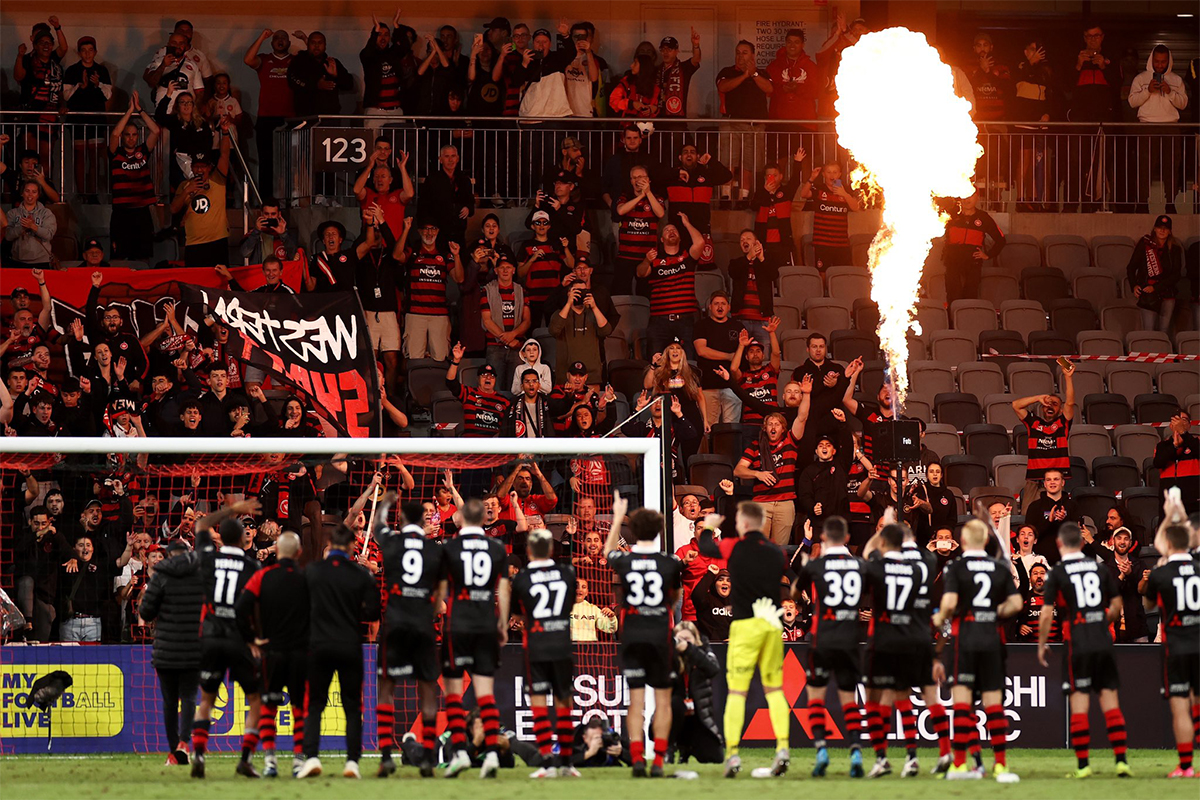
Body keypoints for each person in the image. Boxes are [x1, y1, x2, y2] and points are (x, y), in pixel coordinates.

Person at [695, 502, 791, 777]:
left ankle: (733, 755)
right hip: (772, 624)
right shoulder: (776, 552)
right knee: (775, 690)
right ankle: (783, 749)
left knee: (737, 692)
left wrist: (710, 526)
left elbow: (707, 547)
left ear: (744, 523)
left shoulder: (735, 546)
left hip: (745, 625)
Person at [932, 519, 1024, 779]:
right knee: (993, 703)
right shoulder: (999, 567)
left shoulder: (956, 566)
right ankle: (1001, 765)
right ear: (985, 541)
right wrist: (993, 612)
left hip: (966, 639)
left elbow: (949, 603)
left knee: (962, 703)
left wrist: (940, 617)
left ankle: (960, 765)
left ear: (962, 541)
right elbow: (1016, 603)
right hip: (991, 639)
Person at [1038, 522, 1131, 779]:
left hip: (1076, 641)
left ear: (1059, 544)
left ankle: (1083, 766)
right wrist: (1102, 621)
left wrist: (1042, 643)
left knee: (1079, 703)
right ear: (1081, 543)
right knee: (1110, 702)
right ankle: (1121, 762)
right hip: (1102, 639)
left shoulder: (1057, 572)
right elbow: (1116, 605)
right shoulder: (1100, 568)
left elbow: (1046, 613)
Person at [186, 499, 264, 779]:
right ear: (243, 539)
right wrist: (256, 639)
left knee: (206, 699)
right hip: (238, 639)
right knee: (255, 699)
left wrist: (232, 509)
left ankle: (198, 754)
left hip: (209, 637)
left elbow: (201, 524)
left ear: (221, 537)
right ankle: (245, 759)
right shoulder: (253, 566)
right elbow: (256, 609)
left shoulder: (208, 557)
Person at [605, 495, 682, 777]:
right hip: (660, 635)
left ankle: (637, 759)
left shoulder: (625, 561)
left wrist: (617, 518)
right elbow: (675, 597)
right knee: (662, 700)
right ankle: (658, 760)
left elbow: (608, 551)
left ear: (634, 532)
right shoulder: (671, 562)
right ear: (660, 530)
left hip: (633, 634)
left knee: (635, 701)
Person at [295, 523, 379, 779]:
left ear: (330, 544)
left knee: (315, 705)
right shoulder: (360, 574)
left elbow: (300, 607)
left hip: (318, 645)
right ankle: (352, 762)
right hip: (349, 645)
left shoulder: (313, 571)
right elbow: (373, 612)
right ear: (352, 546)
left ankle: (311, 757)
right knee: (352, 707)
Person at [370, 495, 443, 777]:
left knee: (386, 688)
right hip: (423, 625)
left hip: (395, 624)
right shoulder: (434, 549)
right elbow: (441, 592)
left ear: (400, 520)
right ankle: (427, 757)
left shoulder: (392, 541)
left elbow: (377, 526)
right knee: (427, 689)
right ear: (423, 521)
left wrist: (385, 503)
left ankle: (386, 756)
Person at [438, 498, 510, 778]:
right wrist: (502, 623)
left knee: (453, 693)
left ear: (460, 519)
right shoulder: (497, 548)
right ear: (483, 519)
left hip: (457, 626)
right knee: (485, 694)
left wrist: (437, 608)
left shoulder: (450, 547)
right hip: (485, 625)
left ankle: (459, 753)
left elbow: (440, 587)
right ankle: (491, 753)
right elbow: (504, 588)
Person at [793, 516, 867, 777]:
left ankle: (821, 750)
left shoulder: (816, 565)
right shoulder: (859, 565)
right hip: (849, 639)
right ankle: (855, 750)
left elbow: (795, 591)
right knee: (849, 697)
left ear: (823, 538)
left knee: (816, 695)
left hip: (822, 638)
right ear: (847, 538)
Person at [505, 527, 580, 778]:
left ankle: (547, 761)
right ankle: (567, 762)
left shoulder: (522, 579)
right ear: (550, 549)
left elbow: (517, 614)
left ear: (528, 550)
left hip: (536, 645)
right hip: (561, 643)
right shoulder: (567, 573)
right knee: (564, 700)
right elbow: (569, 606)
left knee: (538, 701)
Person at [234, 531, 309, 778]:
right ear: (299, 553)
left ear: (277, 551)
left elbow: (240, 610)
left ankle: (270, 761)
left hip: (271, 653)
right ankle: (299, 761)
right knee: (299, 708)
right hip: (300, 653)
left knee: (268, 706)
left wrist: (252, 639)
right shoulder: (307, 578)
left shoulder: (262, 576)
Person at [859, 523, 931, 778]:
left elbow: (866, 556)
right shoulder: (914, 570)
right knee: (903, 697)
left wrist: (877, 539)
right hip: (906, 639)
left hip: (881, 640)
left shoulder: (876, 566)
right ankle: (911, 757)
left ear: (882, 542)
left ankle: (881, 758)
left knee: (873, 700)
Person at [138, 539, 204, 766]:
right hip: (193, 648)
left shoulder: (160, 577)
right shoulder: (200, 577)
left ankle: (174, 751)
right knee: (189, 697)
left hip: (166, 649)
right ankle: (184, 743)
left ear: (169, 556)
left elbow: (146, 612)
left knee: (169, 701)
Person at [1142, 521, 1200, 777]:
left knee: (1180, 708)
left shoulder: (1160, 573)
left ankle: (1186, 766)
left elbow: (1148, 604)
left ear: (1167, 544)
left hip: (1176, 647)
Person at [735, 375, 813, 544]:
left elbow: (802, 417)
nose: (773, 427)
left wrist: (806, 394)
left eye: (777, 424)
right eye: (770, 424)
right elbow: (738, 470)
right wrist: (757, 474)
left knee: (780, 550)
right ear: (764, 428)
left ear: (783, 428)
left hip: (785, 503)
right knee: (759, 548)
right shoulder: (756, 446)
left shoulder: (790, 441)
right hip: (761, 503)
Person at [1128, 45, 1189, 213]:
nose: (1160, 65)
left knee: (1171, 166)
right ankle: (1142, 204)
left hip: (1171, 126)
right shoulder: (1141, 78)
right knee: (1144, 166)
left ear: (1169, 61)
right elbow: (1132, 102)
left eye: (1163, 62)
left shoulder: (1176, 80)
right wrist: (1148, 91)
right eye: (1157, 61)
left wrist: (1169, 92)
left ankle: (1170, 203)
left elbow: (1183, 104)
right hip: (1147, 126)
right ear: (1151, 59)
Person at [638, 213, 706, 357]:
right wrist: (647, 260)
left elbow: (700, 242)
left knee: (689, 361)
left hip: (685, 320)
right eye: (667, 230)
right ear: (662, 239)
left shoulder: (687, 256)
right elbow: (641, 273)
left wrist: (686, 224)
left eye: (674, 230)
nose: (671, 231)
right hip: (659, 321)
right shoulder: (655, 260)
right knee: (656, 362)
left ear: (680, 238)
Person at [1013, 363, 1077, 513]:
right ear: (1042, 407)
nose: (1050, 406)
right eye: (1047, 404)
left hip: (1055, 481)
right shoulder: (1033, 423)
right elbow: (1016, 405)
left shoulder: (1063, 423)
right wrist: (1038, 398)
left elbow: (1070, 402)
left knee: (1054, 517)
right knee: (1029, 517)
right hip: (1034, 480)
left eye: (1054, 404)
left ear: (1060, 410)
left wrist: (1068, 377)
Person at [398, 219, 463, 361]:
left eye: (433, 229)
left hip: (439, 315)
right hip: (415, 313)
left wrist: (457, 255)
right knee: (414, 358)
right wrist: (406, 229)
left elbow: (459, 278)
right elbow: (397, 256)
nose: (429, 233)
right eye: (426, 229)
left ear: (438, 231)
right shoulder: (413, 252)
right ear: (419, 231)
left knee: (440, 358)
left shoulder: (445, 255)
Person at [170, 122, 232, 267]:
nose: (199, 170)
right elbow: (173, 209)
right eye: (197, 166)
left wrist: (225, 133)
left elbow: (224, 155)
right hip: (194, 244)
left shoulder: (218, 179)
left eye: (203, 166)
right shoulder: (184, 186)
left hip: (218, 242)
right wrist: (187, 191)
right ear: (191, 168)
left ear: (209, 167)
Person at [243, 29, 297, 193]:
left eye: (284, 38)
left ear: (289, 43)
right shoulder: (265, 59)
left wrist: (304, 38)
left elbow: (314, 61)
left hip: (290, 118)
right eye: (277, 38)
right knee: (266, 160)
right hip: (266, 117)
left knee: (291, 161)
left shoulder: (295, 60)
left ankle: (289, 197)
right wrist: (262, 37)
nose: (280, 40)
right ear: (272, 43)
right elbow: (248, 59)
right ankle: (266, 199)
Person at [108, 93, 161, 260]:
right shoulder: (116, 153)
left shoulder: (143, 151)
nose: (131, 138)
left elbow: (156, 130)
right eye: (127, 135)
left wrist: (140, 110)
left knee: (142, 256)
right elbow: (114, 134)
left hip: (142, 211)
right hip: (121, 212)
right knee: (120, 256)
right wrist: (130, 111)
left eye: (134, 135)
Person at [665, 620, 723, 764]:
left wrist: (690, 650)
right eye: (680, 639)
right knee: (675, 704)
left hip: (698, 716)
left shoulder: (702, 649)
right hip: (674, 716)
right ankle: (669, 749)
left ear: (695, 640)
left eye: (687, 639)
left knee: (715, 758)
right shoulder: (669, 653)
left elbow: (713, 669)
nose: (683, 643)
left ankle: (688, 749)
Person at [942, 190, 1006, 301]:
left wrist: (988, 255)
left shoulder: (983, 217)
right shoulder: (950, 215)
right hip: (952, 262)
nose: (967, 199)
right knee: (953, 296)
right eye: (964, 196)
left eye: (971, 196)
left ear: (977, 197)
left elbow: (1001, 240)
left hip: (973, 263)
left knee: (970, 297)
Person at [800, 160, 861, 274]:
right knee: (822, 273)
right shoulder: (819, 189)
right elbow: (803, 194)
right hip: (822, 243)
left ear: (839, 174)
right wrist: (811, 178)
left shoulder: (846, 190)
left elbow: (856, 208)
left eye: (835, 172)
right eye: (828, 172)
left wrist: (844, 194)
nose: (832, 175)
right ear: (823, 174)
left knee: (843, 274)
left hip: (841, 243)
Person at [614, 164, 665, 296]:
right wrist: (641, 196)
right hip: (625, 256)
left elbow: (660, 213)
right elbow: (620, 210)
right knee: (621, 294)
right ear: (631, 181)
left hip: (647, 256)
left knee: (645, 295)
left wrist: (648, 193)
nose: (638, 180)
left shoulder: (656, 198)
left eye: (641, 177)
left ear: (648, 180)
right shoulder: (625, 197)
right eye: (634, 177)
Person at [1127, 214, 1183, 332]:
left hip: (1167, 293)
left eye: (1165, 228)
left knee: (1164, 330)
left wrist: (1156, 287)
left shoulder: (1175, 249)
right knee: (1149, 331)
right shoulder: (1145, 245)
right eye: (1159, 228)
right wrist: (1134, 285)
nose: (1162, 231)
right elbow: (1131, 267)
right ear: (1155, 229)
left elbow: (1176, 275)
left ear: (1170, 231)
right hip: (1148, 294)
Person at [481, 257, 531, 387]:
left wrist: (513, 334)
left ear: (513, 270)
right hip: (495, 347)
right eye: (502, 267)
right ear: (496, 270)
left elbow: (527, 320)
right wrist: (508, 340)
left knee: (516, 388)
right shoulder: (487, 290)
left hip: (517, 347)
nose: (505, 270)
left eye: (508, 267)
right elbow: (487, 321)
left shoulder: (521, 291)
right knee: (494, 387)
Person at [751, 148, 805, 267]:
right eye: (769, 175)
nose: (772, 178)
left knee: (785, 272)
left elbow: (795, 180)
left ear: (781, 176)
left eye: (775, 175)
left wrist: (797, 162)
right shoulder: (760, 193)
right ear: (765, 177)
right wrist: (765, 192)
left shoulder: (786, 192)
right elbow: (753, 206)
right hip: (763, 244)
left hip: (783, 243)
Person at [447, 344, 512, 438]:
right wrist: (456, 361)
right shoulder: (469, 393)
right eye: (484, 375)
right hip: (471, 443)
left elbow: (509, 428)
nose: (488, 378)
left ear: (495, 380)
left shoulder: (504, 401)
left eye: (492, 376)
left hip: (493, 444)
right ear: (478, 379)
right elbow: (450, 382)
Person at [418, 145, 474, 246]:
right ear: (440, 159)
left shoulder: (464, 179)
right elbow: (423, 205)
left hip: (459, 232)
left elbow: (470, 202)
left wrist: (468, 208)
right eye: (447, 156)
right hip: (438, 232)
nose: (450, 160)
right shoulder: (432, 179)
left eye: (453, 156)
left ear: (457, 159)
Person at [287, 32, 353, 117]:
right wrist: (316, 85)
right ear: (308, 44)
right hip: (305, 115)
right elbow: (292, 81)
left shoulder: (332, 63)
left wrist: (336, 75)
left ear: (325, 45)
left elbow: (349, 85)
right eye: (313, 42)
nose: (316, 46)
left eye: (320, 43)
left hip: (330, 116)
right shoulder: (298, 61)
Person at [730, 323, 782, 425]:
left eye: (758, 351)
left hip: (771, 422)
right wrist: (741, 345)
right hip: (750, 423)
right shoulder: (743, 376)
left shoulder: (770, 370)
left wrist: (771, 333)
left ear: (763, 355)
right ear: (746, 357)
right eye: (751, 351)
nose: (755, 354)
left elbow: (776, 353)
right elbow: (733, 368)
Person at [1026, 469, 1082, 562]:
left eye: (1056, 479)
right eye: (1048, 480)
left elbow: (1076, 535)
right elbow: (1029, 535)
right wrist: (1049, 521)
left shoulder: (1073, 505)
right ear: (1045, 484)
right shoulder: (1034, 506)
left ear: (1062, 482)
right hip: (1040, 561)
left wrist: (1064, 520)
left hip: (1067, 558)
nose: (1052, 482)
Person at [1154, 408, 1199, 514]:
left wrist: (1183, 433)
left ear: (1189, 425)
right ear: (1171, 425)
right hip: (1169, 502)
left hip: (1194, 501)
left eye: (1184, 420)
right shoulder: (1162, 446)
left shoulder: (1196, 442)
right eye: (1176, 420)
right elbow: (1158, 463)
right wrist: (1174, 446)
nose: (1180, 423)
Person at [4, 180, 57, 266]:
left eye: (34, 192)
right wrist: (22, 228)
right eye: (27, 191)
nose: (30, 194)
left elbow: (49, 235)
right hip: (17, 261)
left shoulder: (46, 213)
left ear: (38, 195)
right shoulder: (12, 213)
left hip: (41, 261)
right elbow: (7, 236)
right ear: (22, 193)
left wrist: (33, 227)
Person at [237, 199, 300, 264]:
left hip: (281, 270)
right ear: (261, 213)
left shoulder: (288, 234)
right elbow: (245, 253)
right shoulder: (254, 234)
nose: (270, 217)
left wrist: (283, 235)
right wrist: (256, 231)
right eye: (266, 214)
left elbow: (295, 256)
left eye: (273, 214)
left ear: (279, 214)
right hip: (261, 269)